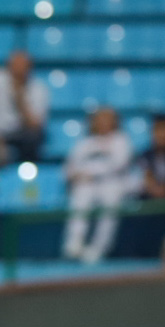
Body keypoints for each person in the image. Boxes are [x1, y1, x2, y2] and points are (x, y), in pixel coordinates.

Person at [62, 106, 133, 265]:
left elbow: (118, 164)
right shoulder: (85, 143)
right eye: (99, 118)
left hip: (113, 184)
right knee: (80, 194)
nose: (103, 122)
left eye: (107, 118)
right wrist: (75, 175)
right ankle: (74, 243)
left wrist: (89, 173)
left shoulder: (121, 140)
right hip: (87, 185)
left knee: (110, 199)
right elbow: (69, 167)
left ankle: (100, 247)